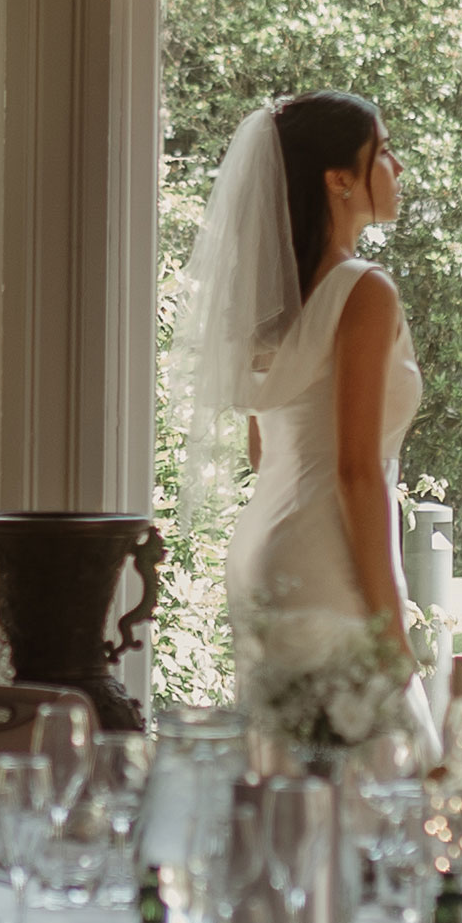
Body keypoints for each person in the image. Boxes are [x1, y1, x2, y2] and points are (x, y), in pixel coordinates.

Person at [176, 94, 422, 683]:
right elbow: (355, 472)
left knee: (289, 738)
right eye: (383, 152)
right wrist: (392, 632)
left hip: (263, 547)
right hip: (324, 556)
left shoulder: (273, 297)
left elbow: (262, 452)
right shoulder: (364, 290)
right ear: (340, 178)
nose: (398, 167)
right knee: (375, 730)